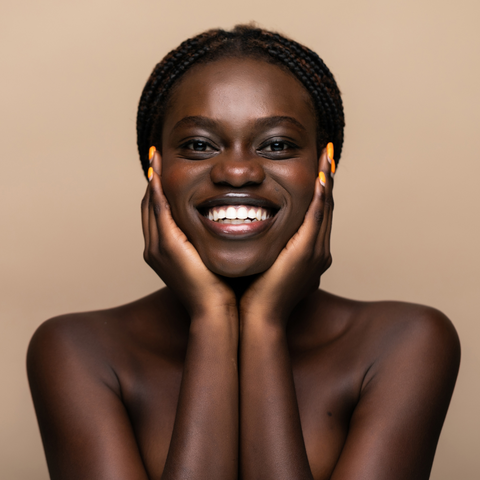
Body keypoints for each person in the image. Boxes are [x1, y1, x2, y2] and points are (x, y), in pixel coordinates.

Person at [27, 25, 460, 480]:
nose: (236, 171)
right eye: (198, 145)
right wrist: (212, 319)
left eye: (276, 145)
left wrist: (263, 323)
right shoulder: (77, 351)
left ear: (324, 168)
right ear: (154, 170)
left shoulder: (406, 344)